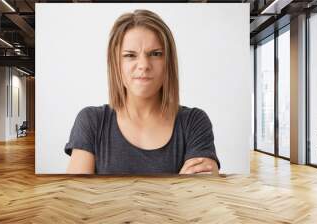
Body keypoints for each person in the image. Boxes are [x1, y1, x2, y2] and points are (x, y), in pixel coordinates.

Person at [65, 9, 220, 175]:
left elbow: (200, 192)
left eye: (155, 54)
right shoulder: (92, 121)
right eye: (130, 55)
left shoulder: (194, 122)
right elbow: (77, 196)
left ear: (168, 62)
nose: (144, 65)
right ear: (116, 64)